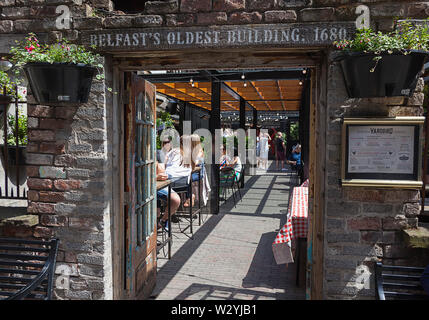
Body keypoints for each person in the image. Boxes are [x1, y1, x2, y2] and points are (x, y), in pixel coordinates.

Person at [156, 161, 181, 232]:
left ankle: (163, 220)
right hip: (143, 185)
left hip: (160, 183)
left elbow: (161, 170)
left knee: (175, 200)